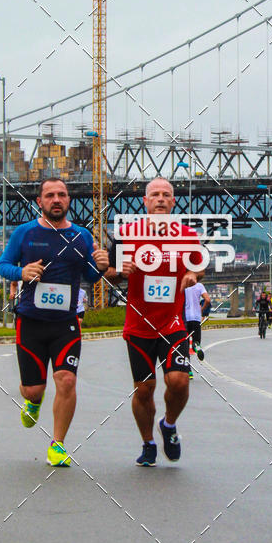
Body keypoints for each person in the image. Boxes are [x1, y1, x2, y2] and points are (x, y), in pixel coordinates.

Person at [0, 177, 108, 467]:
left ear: (68, 200)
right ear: (40, 202)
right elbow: (2, 265)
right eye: (49, 195)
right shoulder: (24, 233)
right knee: (33, 389)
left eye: (61, 194)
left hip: (66, 322)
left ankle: (57, 444)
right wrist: (21, 272)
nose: (56, 200)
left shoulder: (82, 236)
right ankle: (33, 402)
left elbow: (90, 275)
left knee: (67, 380)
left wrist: (101, 267)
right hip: (30, 321)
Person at [105, 177, 203, 466]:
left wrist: (193, 275)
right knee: (144, 389)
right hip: (139, 326)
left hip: (173, 323)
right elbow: (107, 272)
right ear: (145, 201)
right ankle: (148, 443)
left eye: (166, 194)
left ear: (173, 202)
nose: (160, 198)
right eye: (155, 194)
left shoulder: (186, 235)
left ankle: (168, 425)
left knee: (179, 381)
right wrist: (119, 271)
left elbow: (200, 267)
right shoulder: (127, 234)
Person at [184, 280, 210, 379]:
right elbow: (207, 300)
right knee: (196, 341)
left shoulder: (182, 285)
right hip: (196, 318)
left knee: (184, 347)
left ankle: (189, 371)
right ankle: (197, 346)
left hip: (185, 318)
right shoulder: (199, 286)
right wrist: (201, 310)